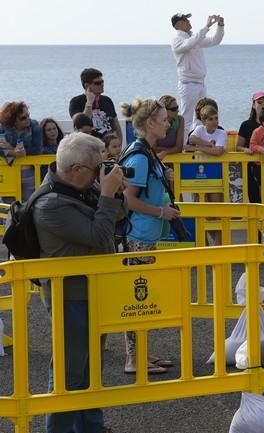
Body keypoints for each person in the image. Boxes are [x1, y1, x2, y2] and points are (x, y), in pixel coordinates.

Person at [33, 132, 128, 433]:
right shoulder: (50, 204)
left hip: (93, 292)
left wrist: (113, 193)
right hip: (68, 297)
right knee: (68, 372)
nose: (102, 172)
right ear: (76, 170)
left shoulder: (83, 189)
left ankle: (91, 428)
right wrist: (107, 196)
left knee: (92, 369)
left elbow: (119, 217)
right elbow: (99, 236)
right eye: (97, 167)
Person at [120, 98, 181, 375]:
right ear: (150, 124)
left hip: (144, 235)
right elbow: (129, 199)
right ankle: (134, 359)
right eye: (164, 119)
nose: (168, 123)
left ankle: (141, 352)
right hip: (138, 236)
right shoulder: (141, 156)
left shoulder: (146, 153)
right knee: (137, 300)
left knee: (141, 299)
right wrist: (161, 212)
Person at [171, 12, 225, 137]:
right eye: (185, 20)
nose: (189, 22)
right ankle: (183, 147)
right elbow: (188, 44)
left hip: (200, 83)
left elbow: (215, 41)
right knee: (187, 118)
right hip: (188, 84)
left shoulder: (194, 38)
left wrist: (220, 26)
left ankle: (195, 144)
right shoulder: (177, 40)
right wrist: (206, 27)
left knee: (200, 118)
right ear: (179, 24)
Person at [0, 101, 42, 200]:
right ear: (13, 119)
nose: (27, 119)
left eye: (28, 115)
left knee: (31, 202)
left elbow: (37, 149)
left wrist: (9, 148)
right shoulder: (2, 127)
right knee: (9, 206)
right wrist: (14, 152)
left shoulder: (34, 125)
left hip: (28, 171)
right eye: (23, 118)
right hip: (8, 170)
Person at [237, 92, 264, 203]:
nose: (263, 105)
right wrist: (246, 150)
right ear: (253, 105)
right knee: (254, 197)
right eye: (260, 102)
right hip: (251, 166)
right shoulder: (246, 125)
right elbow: (238, 146)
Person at [69, 68, 122, 140]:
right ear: (87, 85)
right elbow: (81, 124)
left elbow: (116, 128)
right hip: (89, 145)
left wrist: (117, 147)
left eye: (102, 82)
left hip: (107, 147)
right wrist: (89, 103)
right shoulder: (76, 101)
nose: (102, 85)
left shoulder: (107, 100)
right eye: (97, 83)